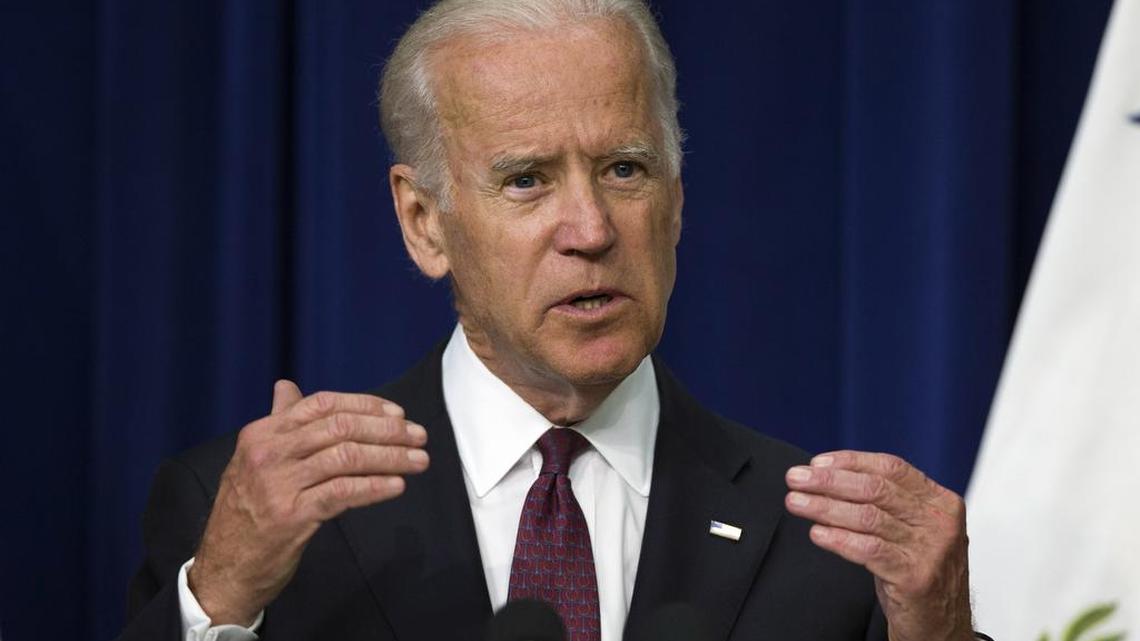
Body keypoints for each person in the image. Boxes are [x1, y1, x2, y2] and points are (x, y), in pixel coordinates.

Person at [118, 1, 980, 640]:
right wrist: (222, 598)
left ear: (676, 205)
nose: (593, 229)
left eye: (624, 169)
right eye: (528, 179)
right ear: (425, 222)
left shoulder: (829, 546)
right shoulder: (259, 526)